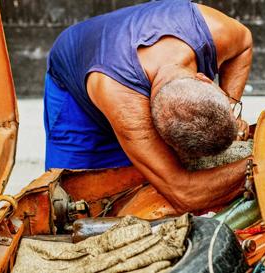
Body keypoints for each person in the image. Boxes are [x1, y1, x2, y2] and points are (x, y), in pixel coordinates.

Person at [44, 0, 253, 212]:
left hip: (121, 55)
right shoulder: (126, 103)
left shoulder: (213, 29)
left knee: (148, 175)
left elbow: (244, 43)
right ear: (151, 120)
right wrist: (259, 165)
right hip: (75, 85)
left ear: (204, 79)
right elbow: (185, 194)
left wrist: (231, 105)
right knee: (76, 199)